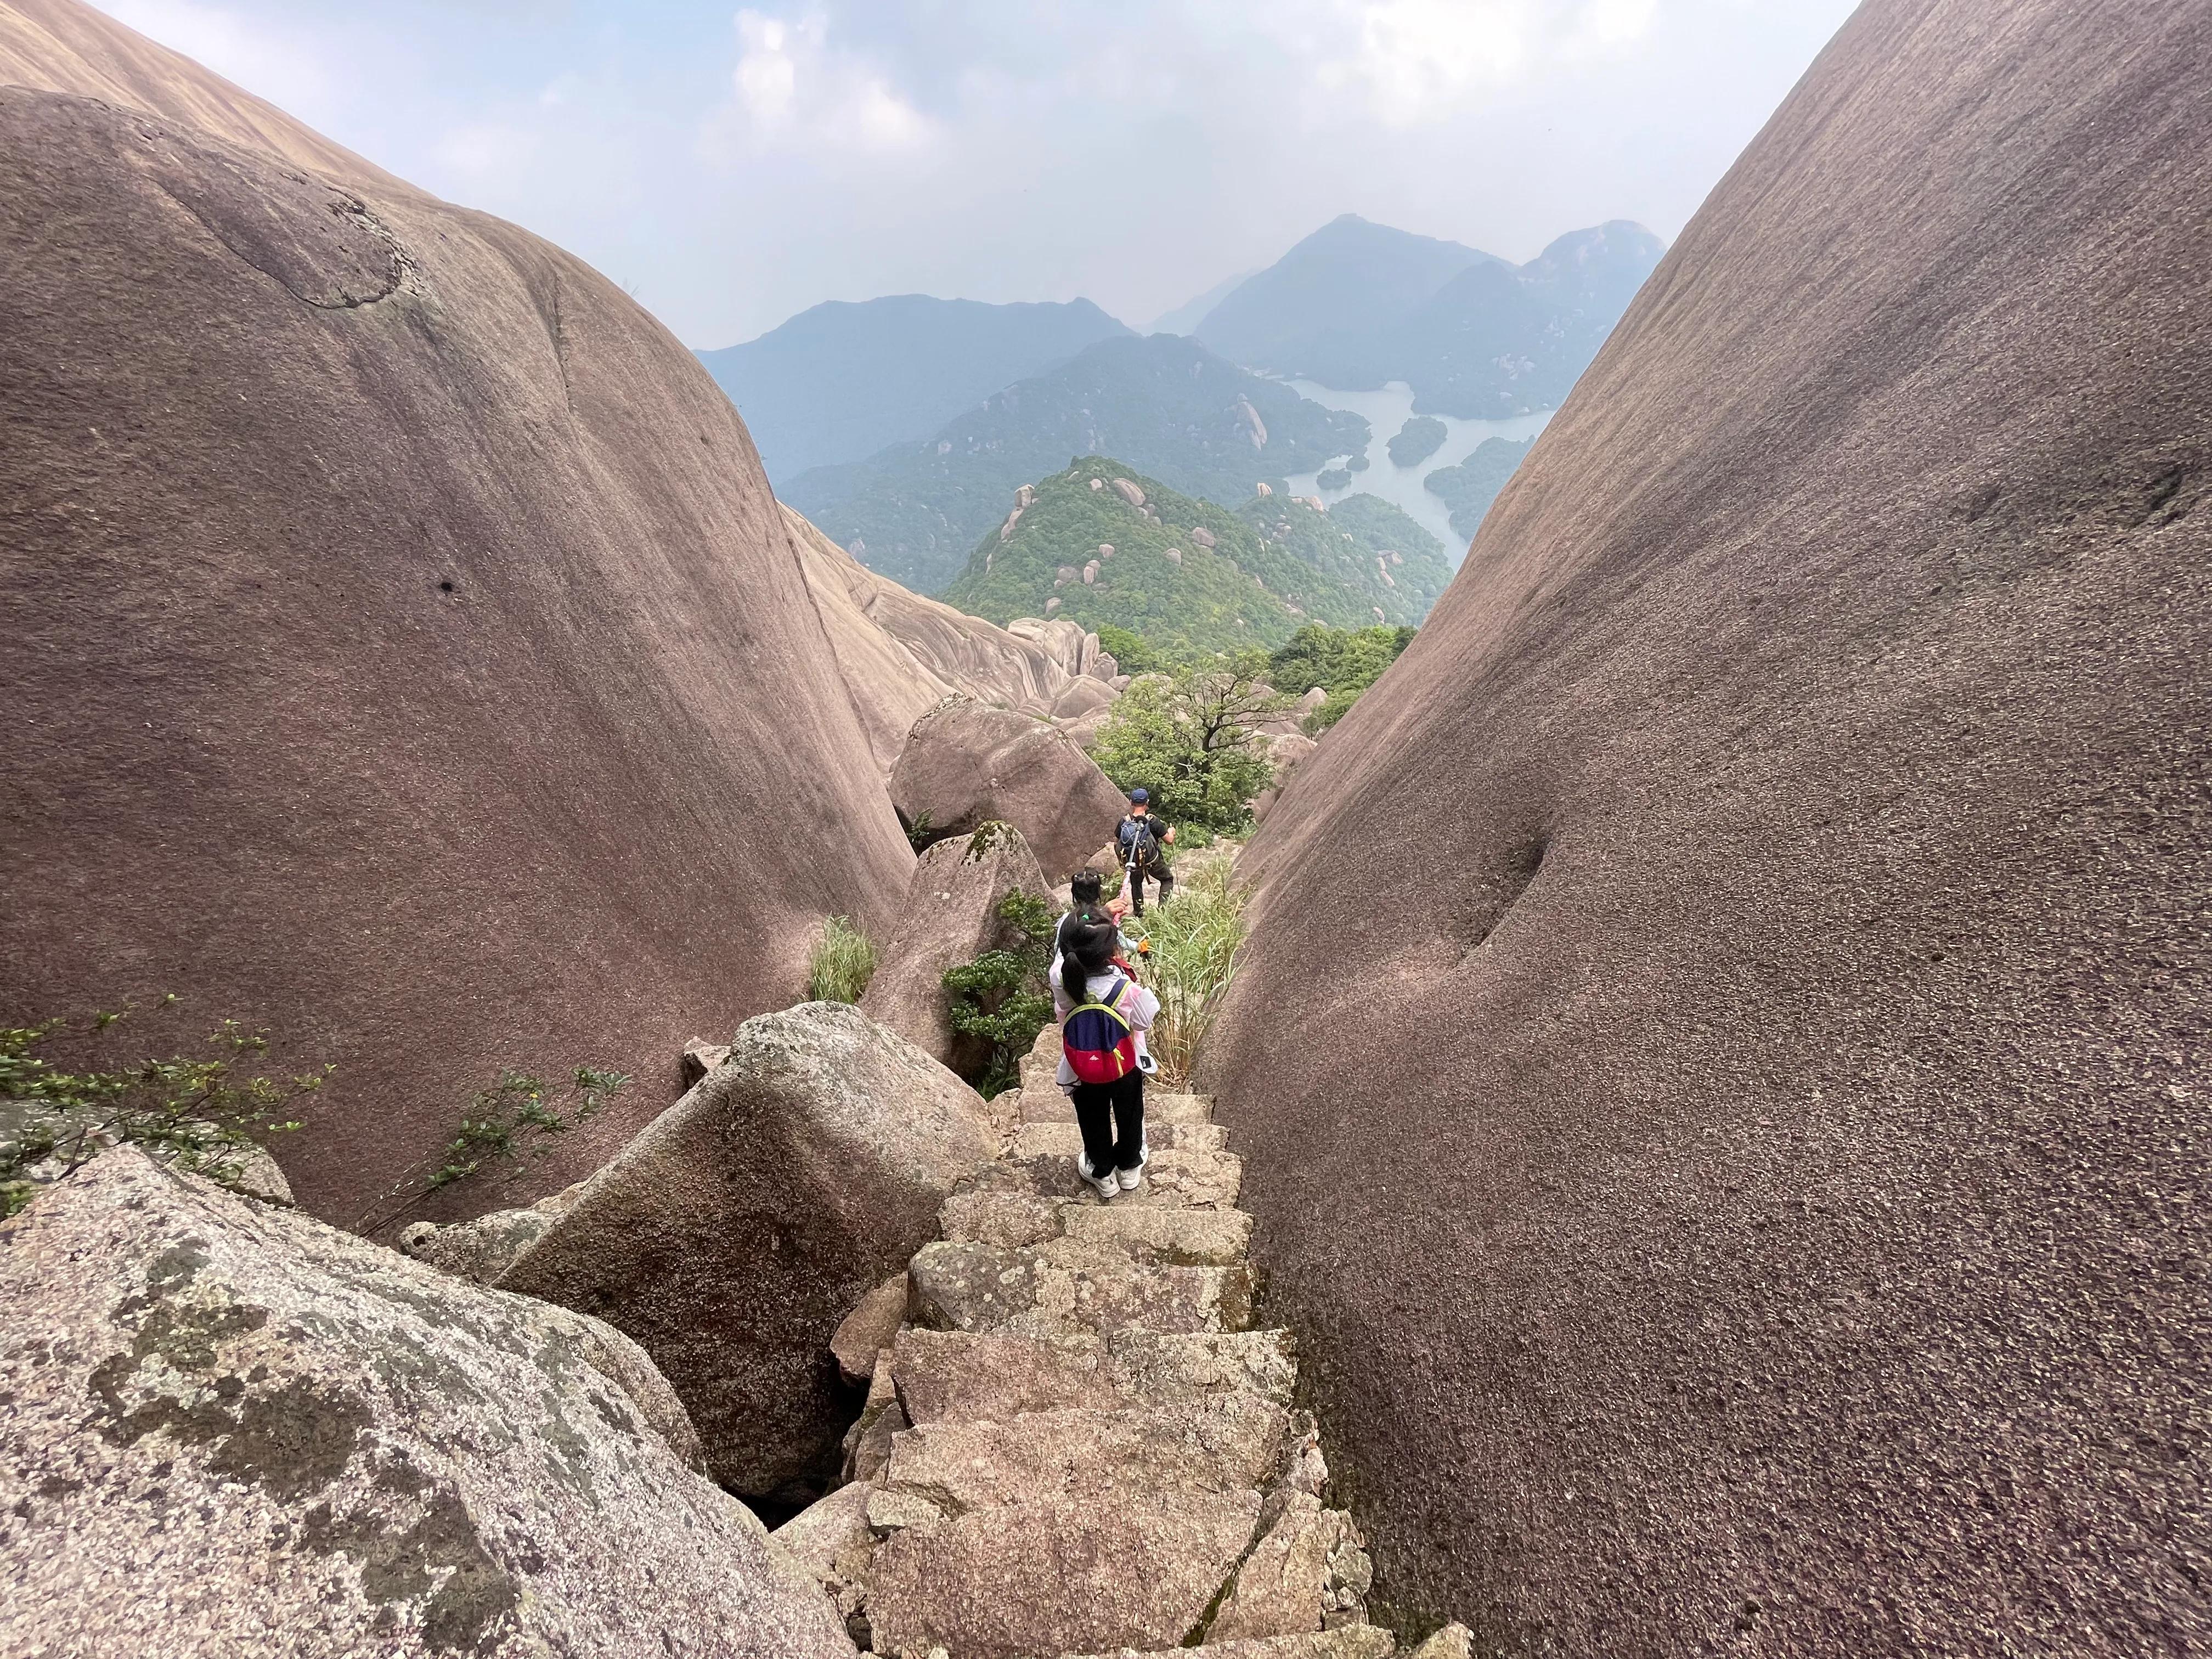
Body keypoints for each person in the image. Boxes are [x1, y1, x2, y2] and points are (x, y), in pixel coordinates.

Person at [1052, 911, 1159, 1200]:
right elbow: (1143, 1021)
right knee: (1129, 1112)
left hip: (1082, 1066)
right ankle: (1128, 1167)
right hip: (1124, 1064)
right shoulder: (1124, 987)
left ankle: (1102, 1172)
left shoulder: (1063, 980)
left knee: (1091, 1117)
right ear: (1109, 953)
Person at [1115, 788, 1175, 917]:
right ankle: (1163, 912)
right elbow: (1169, 841)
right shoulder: (1152, 820)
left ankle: (1139, 913)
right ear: (1147, 803)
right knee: (1167, 879)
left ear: (1131, 802)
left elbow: (1118, 841)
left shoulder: (1124, 821)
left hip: (1133, 862)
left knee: (1136, 885)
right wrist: (1172, 832)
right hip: (1152, 861)